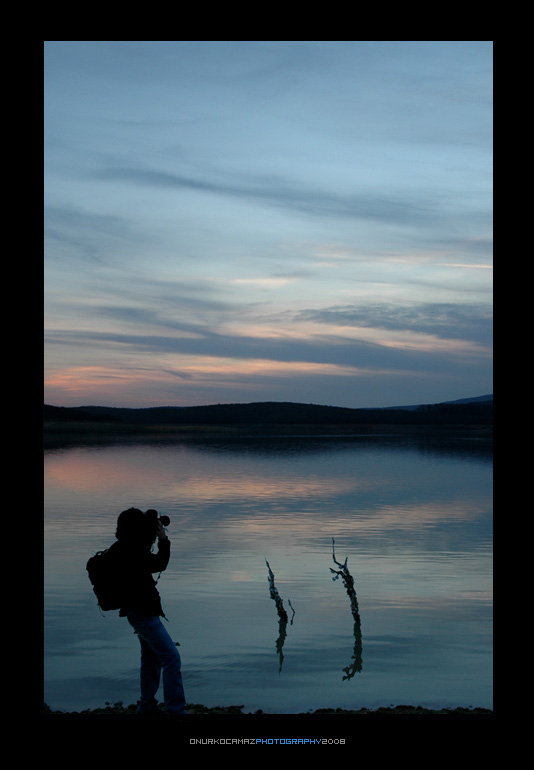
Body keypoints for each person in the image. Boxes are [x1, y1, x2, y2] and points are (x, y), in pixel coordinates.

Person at [113, 507, 187, 715]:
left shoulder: (122, 548)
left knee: (151, 658)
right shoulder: (133, 552)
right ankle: (176, 710)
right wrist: (163, 540)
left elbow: (149, 563)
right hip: (144, 614)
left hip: (136, 613)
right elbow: (160, 563)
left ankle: (147, 706)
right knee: (171, 658)